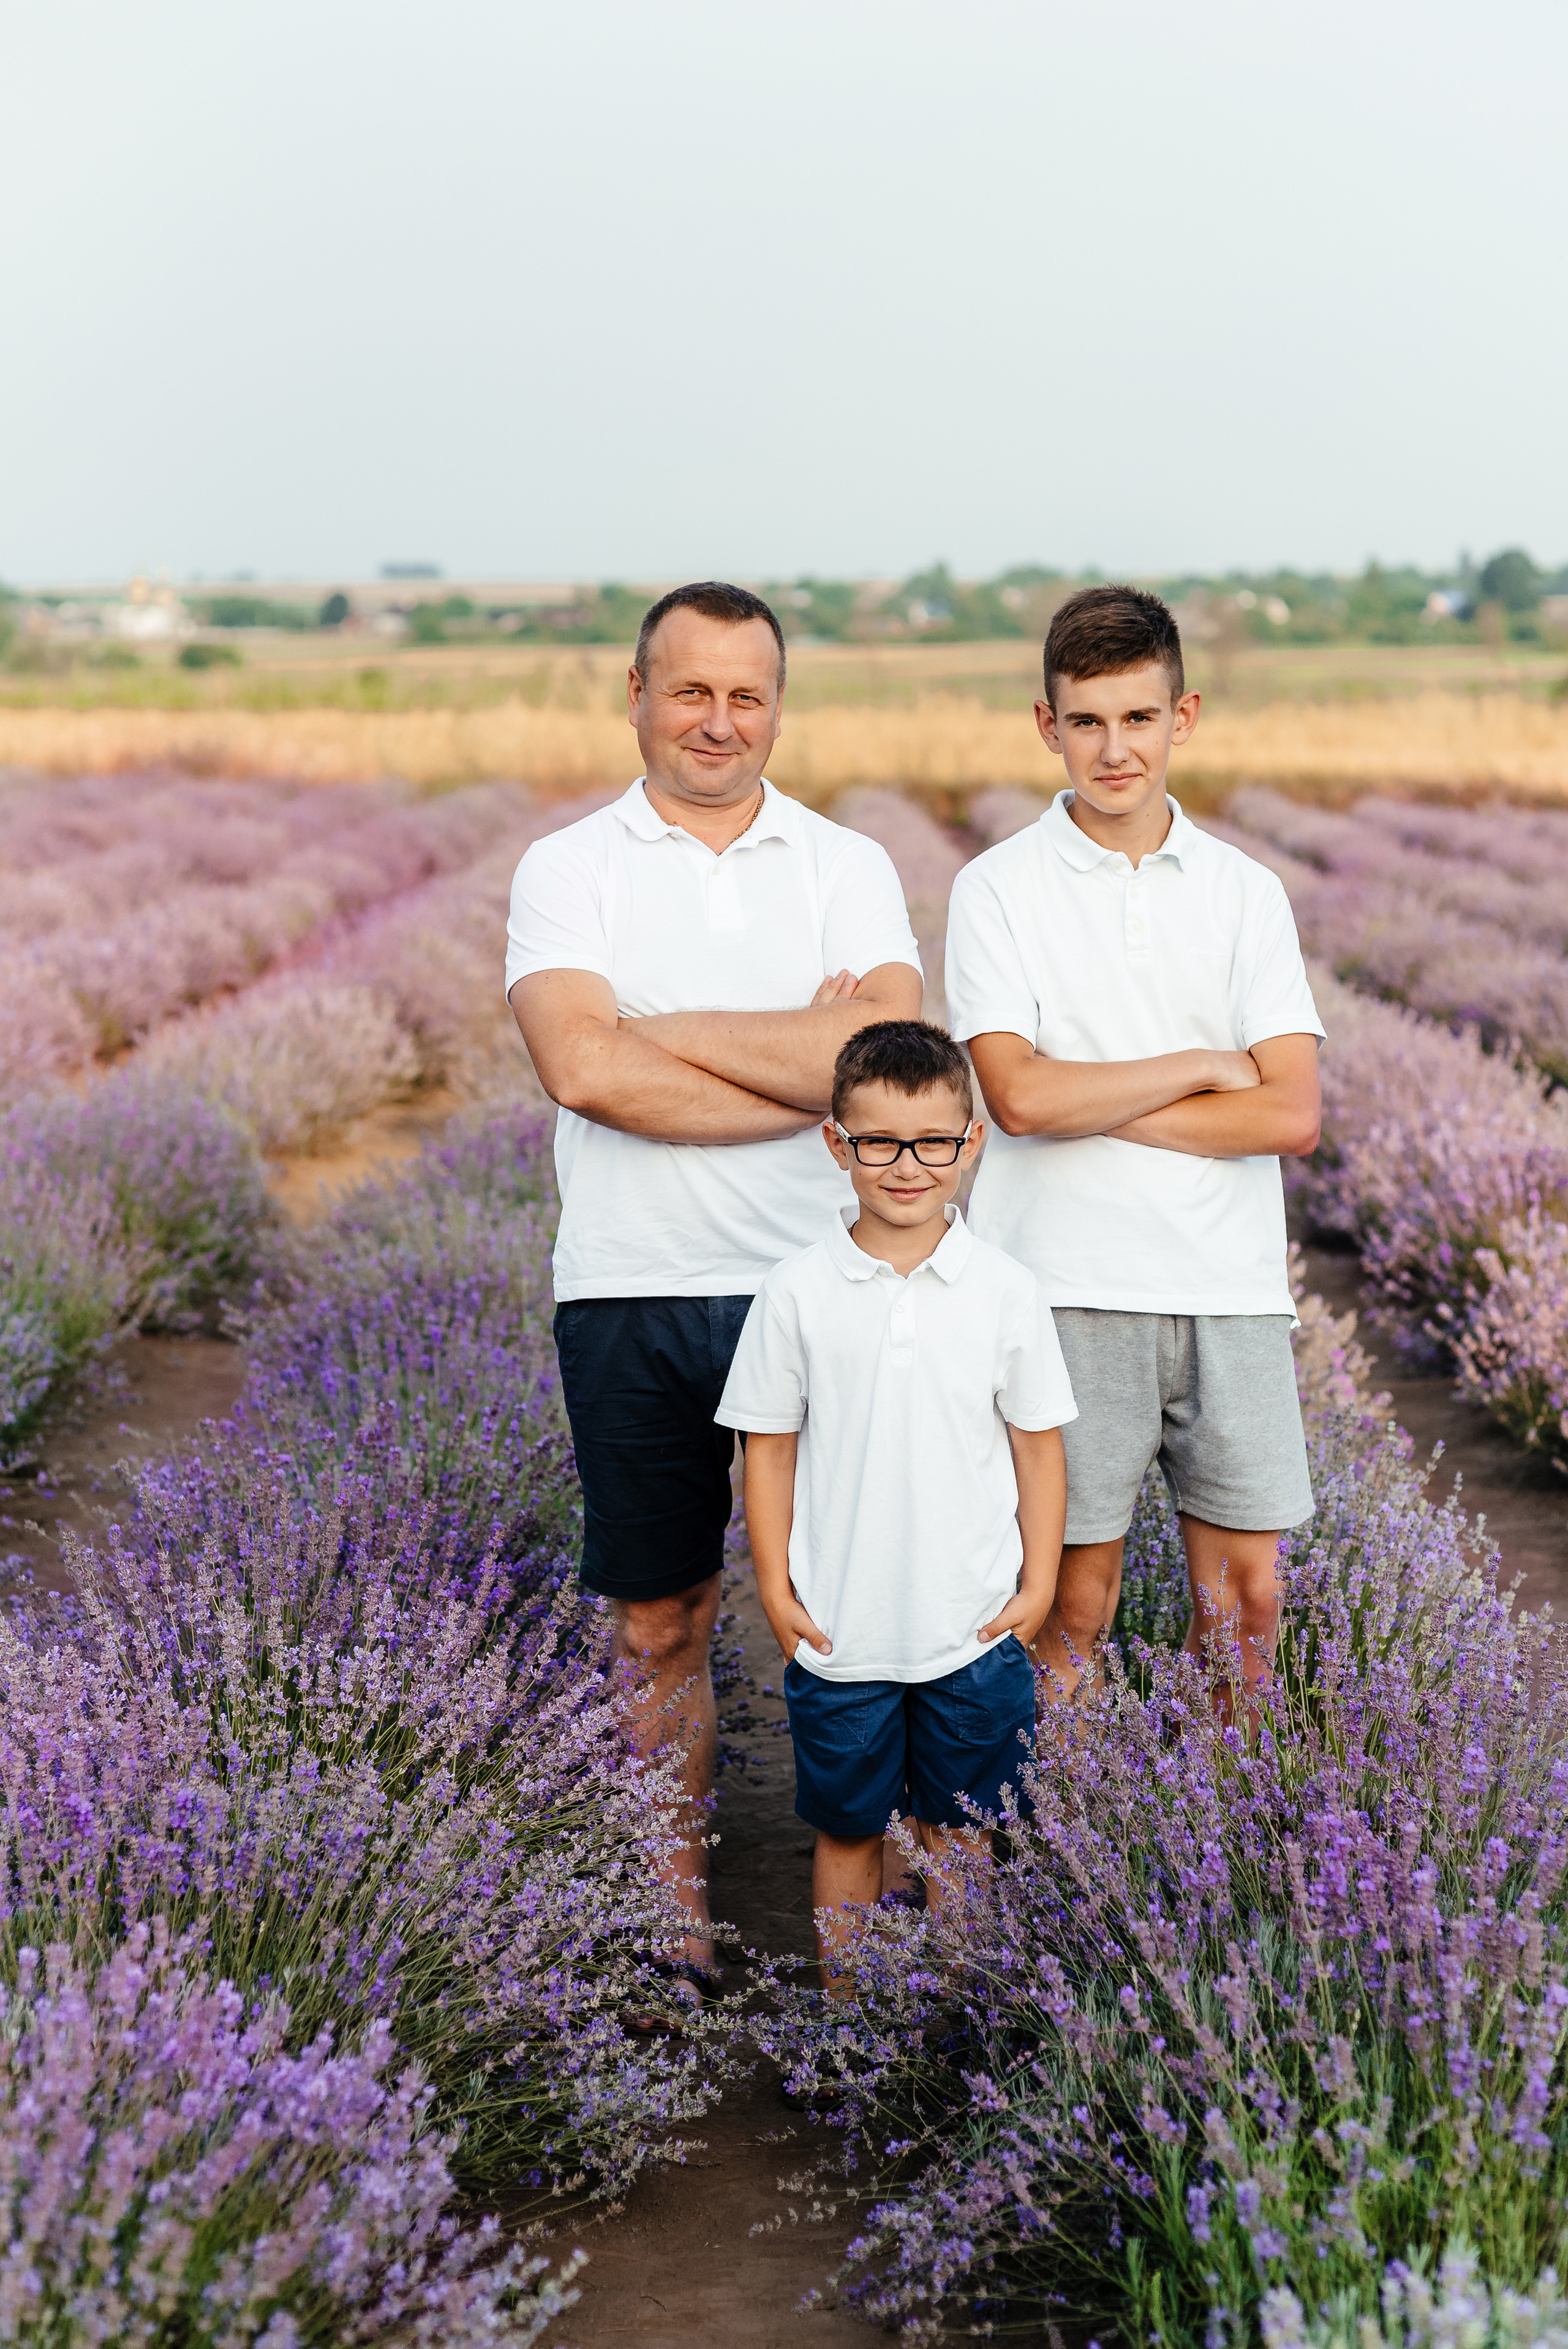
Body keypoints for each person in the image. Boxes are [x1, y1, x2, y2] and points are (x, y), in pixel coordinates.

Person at [506, 581, 923, 1996]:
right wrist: (797, 1061)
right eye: (689, 690)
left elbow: (882, 1071)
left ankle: (865, 1934)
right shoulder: (567, 868)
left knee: (867, 1610)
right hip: (628, 1291)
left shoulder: (843, 862)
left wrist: (660, 1035)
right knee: (659, 1618)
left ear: (778, 708)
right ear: (633, 694)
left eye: (746, 695)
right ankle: (673, 1913)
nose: (717, 721)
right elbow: (580, 1067)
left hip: (820, 1289)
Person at [944, 583, 1324, 1714]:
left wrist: (1090, 1098)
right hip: (1061, 1287)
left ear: (1184, 715)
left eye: (1139, 719)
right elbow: (1013, 1097)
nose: (1116, 749)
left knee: (1247, 1606)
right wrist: (1202, 1066)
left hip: (1229, 1290)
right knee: (1068, 1602)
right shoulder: (996, 889)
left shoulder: (1246, 894)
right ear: (1046, 724)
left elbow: (1291, 1115)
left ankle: (1219, 1852)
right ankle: (1061, 1861)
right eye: (1089, 721)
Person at [717, 1019, 1074, 1991]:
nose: (907, 1165)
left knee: (962, 1834)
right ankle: (851, 2022)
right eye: (878, 1141)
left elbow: (1039, 1451)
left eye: (934, 1143)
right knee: (845, 1831)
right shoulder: (796, 1291)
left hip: (973, 1626)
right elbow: (770, 1449)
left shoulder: (1005, 1290)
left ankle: (956, 2016)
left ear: (973, 1144)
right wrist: (775, 1586)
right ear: (837, 1144)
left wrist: (1039, 1583)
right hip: (844, 1630)